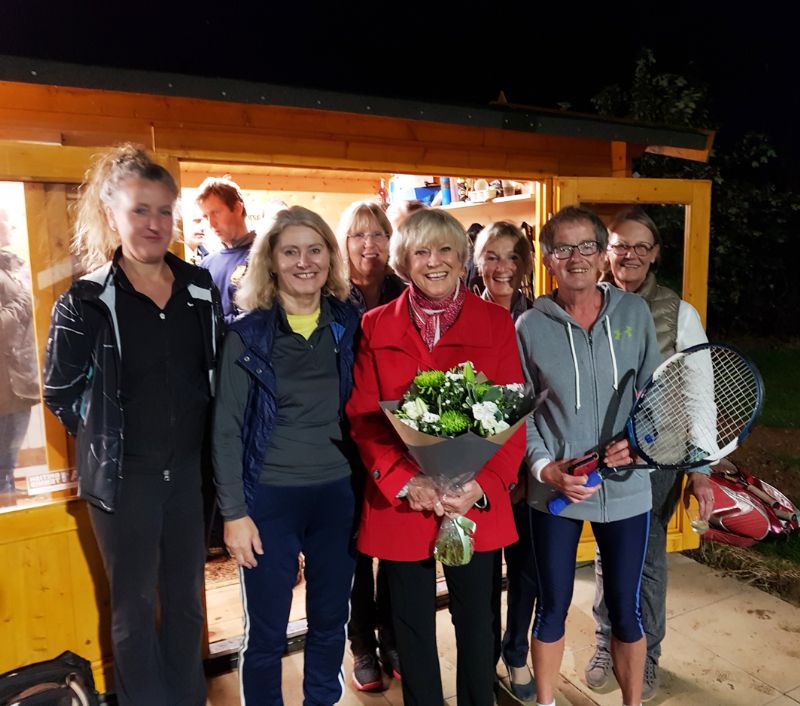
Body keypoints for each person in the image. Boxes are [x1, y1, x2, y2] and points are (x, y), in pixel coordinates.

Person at [43, 144, 222, 706]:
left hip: (190, 477)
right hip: (125, 483)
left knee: (188, 604)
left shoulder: (198, 288)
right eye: (140, 210)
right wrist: (106, 437)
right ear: (112, 214)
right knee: (135, 609)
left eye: (165, 211)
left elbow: (212, 377)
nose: (154, 224)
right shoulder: (87, 299)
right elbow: (59, 391)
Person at [346, 208, 526, 706]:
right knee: (410, 629)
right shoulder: (374, 325)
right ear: (403, 260)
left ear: (462, 257)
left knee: (477, 623)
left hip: (474, 502)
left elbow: (513, 416)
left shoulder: (496, 322)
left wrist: (482, 486)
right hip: (407, 501)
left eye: (445, 249)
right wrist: (406, 480)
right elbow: (364, 416)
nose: (434, 261)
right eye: (421, 251)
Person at [212, 206, 359, 705]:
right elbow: (227, 431)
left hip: (337, 495)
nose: (304, 261)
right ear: (270, 261)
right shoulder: (246, 335)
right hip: (269, 499)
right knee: (268, 633)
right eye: (290, 250)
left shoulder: (349, 327)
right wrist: (234, 513)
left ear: (330, 258)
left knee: (329, 620)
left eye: (314, 249)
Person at [516, 205, 662, 706]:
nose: (575, 257)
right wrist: (544, 468)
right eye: (562, 248)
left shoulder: (633, 313)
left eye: (586, 247)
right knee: (552, 605)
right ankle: (547, 701)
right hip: (557, 490)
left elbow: (657, 396)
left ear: (602, 255)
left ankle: (631, 703)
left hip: (626, 491)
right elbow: (524, 411)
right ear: (548, 259)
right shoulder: (530, 326)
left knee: (626, 609)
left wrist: (643, 448)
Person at [584, 206, 714, 701]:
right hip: (603, 454)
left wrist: (701, 470)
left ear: (656, 253)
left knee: (647, 559)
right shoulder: (591, 303)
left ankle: (648, 654)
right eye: (620, 245)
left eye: (642, 246)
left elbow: (699, 391)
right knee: (605, 552)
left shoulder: (679, 313)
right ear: (605, 253)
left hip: (659, 459)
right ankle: (605, 642)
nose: (630, 255)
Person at [335, 199, 405, 691]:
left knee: (397, 543)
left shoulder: (406, 290)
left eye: (378, 234)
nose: (368, 245)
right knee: (356, 546)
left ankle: (393, 634)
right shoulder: (331, 297)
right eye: (359, 235)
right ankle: (361, 643)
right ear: (345, 243)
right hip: (342, 440)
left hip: (401, 437)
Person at [473, 221, 537, 701]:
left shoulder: (539, 316)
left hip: (529, 468)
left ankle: (516, 654)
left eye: (511, 256)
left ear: (524, 265)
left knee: (525, 573)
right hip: (475, 470)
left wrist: (528, 466)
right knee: (480, 579)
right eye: (492, 256)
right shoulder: (462, 315)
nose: (501, 266)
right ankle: (484, 660)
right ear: (477, 262)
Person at [0, 208, 39, 508]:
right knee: (3, 469)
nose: (10, 225)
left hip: (18, 383)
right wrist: (22, 302)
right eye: (6, 219)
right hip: (5, 386)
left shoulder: (8, 267)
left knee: (6, 468)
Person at [196, 176, 254, 323]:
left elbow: (259, 319)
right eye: (206, 216)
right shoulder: (205, 265)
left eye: (216, 213)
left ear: (237, 208)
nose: (211, 223)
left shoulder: (266, 256)